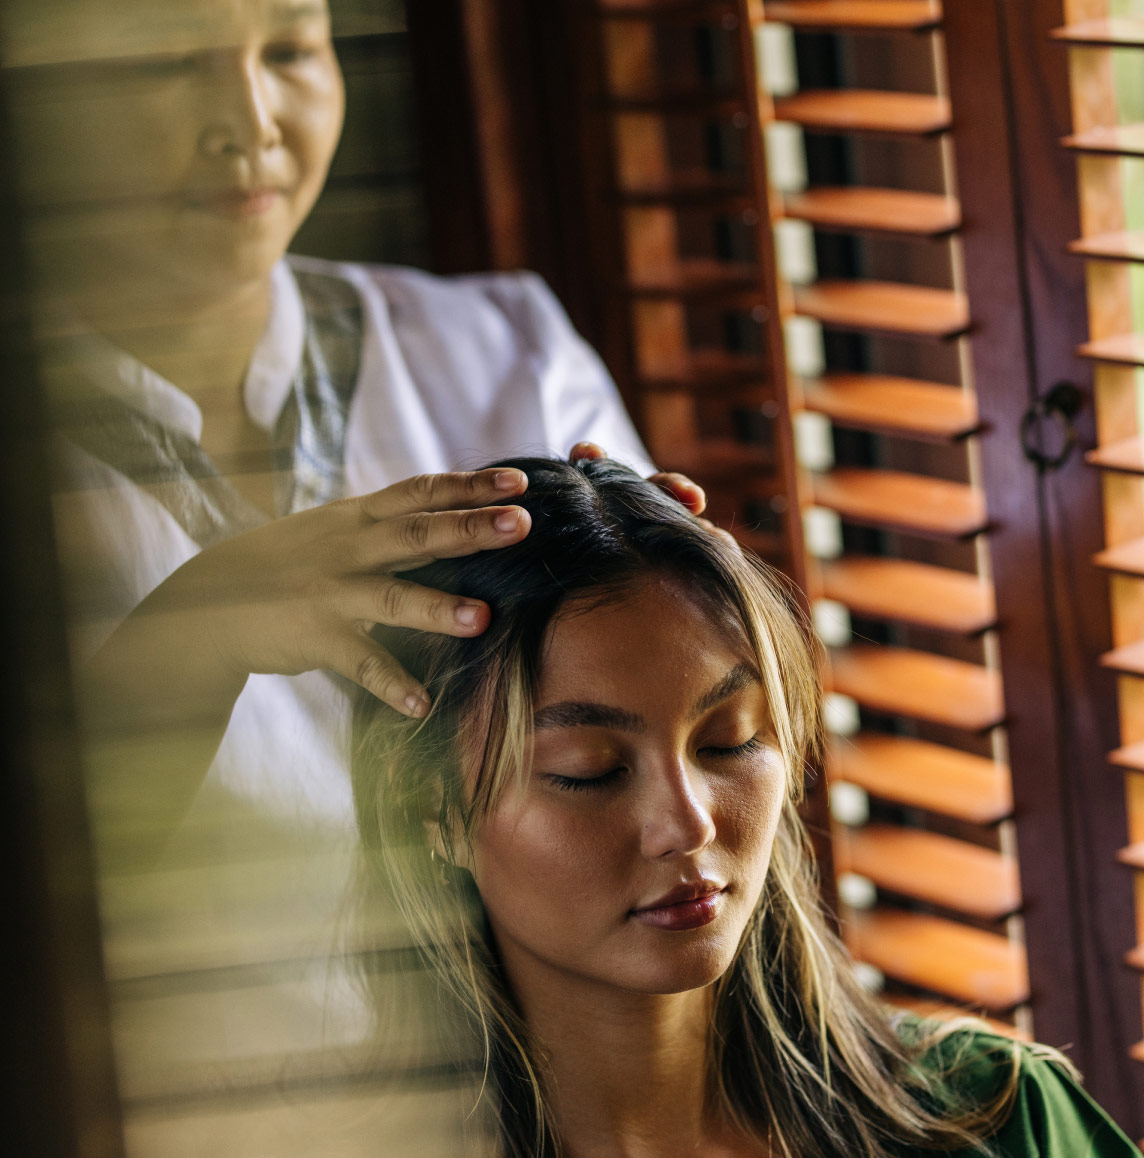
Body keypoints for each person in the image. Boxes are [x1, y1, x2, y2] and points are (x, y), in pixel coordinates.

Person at [354, 455, 1140, 1158]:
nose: (690, 823)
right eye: (589, 771)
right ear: (431, 810)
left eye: (728, 742)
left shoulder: (999, 1121)